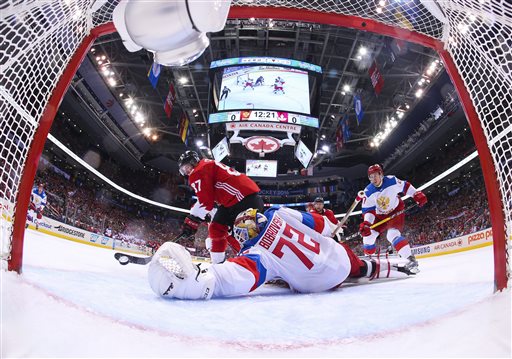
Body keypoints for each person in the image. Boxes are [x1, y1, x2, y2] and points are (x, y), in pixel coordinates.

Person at [147, 206, 415, 300]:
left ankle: (373, 268)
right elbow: (323, 225)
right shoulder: (279, 213)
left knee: (282, 276)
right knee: (350, 260)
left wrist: (199, 282)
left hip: (316, 285)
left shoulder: (256, 252)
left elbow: (234, 278)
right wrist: (330, 228)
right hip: (341, 259)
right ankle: (391, 267)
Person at [178, 150, 264, 264]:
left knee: (243, 236)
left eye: (188, 167)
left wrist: (192, 220)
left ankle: (258, 263)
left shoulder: (198, 171)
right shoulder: (206, 165)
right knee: (216, 228)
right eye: (184, 170)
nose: (187, 171)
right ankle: (217, 265)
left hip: (242, 199)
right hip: (235, 200)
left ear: (194, 162)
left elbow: (205, 202)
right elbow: (210, 200)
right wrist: (207, 214)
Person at [359, 164, 427, 273]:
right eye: (371, 176)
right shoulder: (368, 191)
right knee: (368, 237)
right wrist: (367, 223)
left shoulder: (392, 181)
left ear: (381, 174)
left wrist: (416, 194)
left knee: (392, 235)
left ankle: (411, 259)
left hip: (395, 211)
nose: (373, 179)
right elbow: (368, 211)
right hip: (378, 216)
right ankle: (369, 260)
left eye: (375, 175)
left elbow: (406, 186)